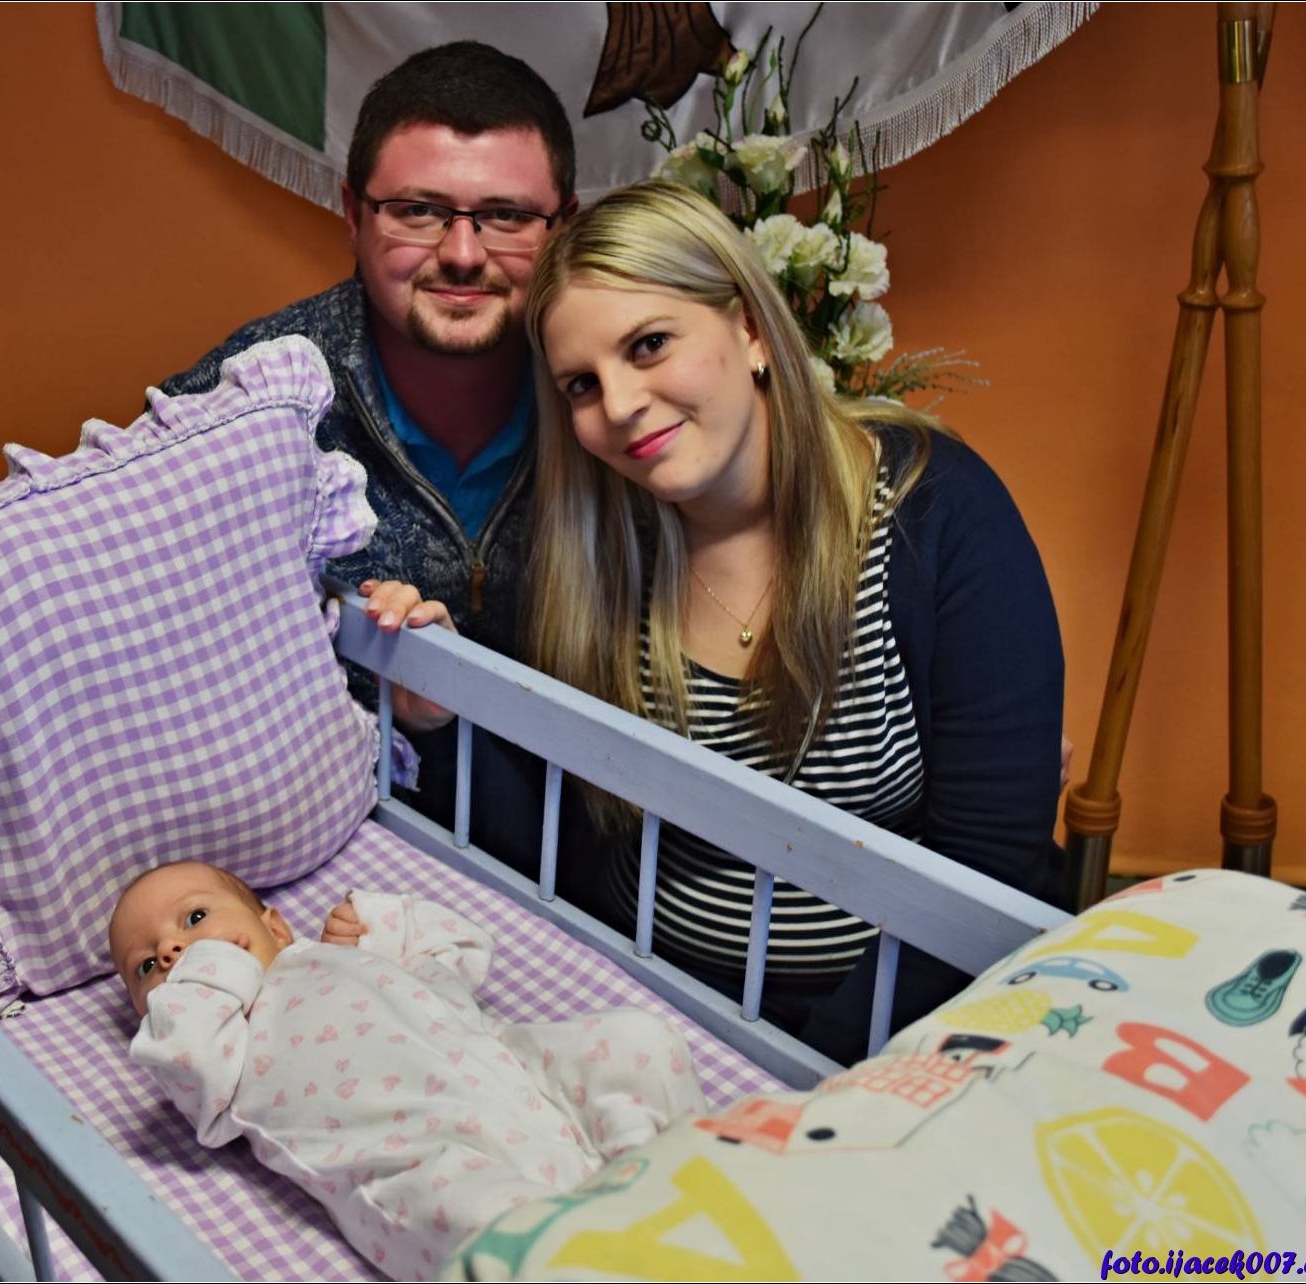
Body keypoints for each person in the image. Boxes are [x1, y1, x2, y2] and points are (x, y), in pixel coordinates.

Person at [365, 180, 1067, 1064]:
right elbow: (562, 838)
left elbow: (989, 869)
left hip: (894, 1031)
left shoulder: (936, 512)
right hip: (655, 1006)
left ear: (751, 328)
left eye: (649, 345)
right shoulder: (602, 554)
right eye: (582, 385)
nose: (619, 405)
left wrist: (793, 1076)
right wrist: (440, 716)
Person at [153, 42, 579, 852]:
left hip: (590, 852)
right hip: (321, 842)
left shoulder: (614, 393)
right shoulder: (240, 407)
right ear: (352, 214)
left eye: (507, 217)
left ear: (566, 226)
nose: (462, 254)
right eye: (418, 210)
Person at [109, 860, 706, 1282]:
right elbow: (186, 1059)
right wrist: (207, 973)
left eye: (194, 918)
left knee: (638, 1041)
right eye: (145, 968)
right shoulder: (219, 1046)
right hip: (416, 1154)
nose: (170, 952)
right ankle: (603, 1259)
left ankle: (673, 1179)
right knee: (489, 1225)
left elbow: (459, 951)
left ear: (275, 927)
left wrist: (381, 924)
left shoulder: (340, 956)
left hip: (515, 1070)